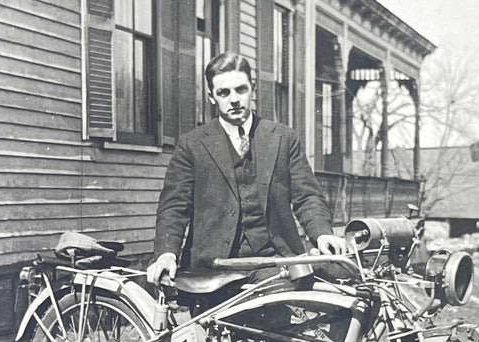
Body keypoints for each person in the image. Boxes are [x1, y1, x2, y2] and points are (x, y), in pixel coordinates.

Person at [147, 52, 346, 286]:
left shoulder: (283, 138)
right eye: (223, 93)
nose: (234, 99)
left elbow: (307, 196)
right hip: (214, 270)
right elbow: (174, 206)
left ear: (252, 88)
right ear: (211, 97)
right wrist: (167, 253)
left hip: (276, 263)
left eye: (240, 90)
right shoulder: (192, 144)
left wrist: (322, 234)